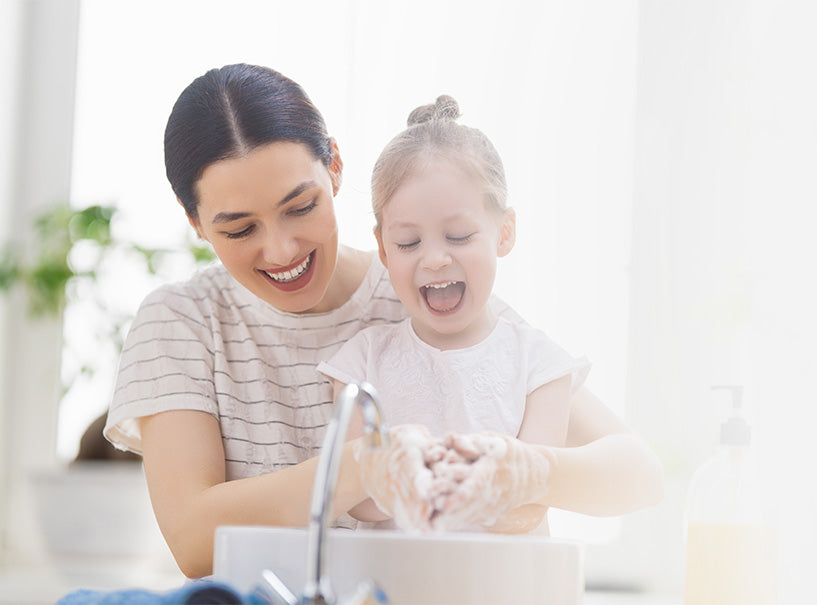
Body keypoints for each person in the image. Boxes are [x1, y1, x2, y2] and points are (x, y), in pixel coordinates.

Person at [103, 63, 664, 579]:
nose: (280, 250)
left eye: (301, 207)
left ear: (336, 169)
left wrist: (532, 473)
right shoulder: (181, 322)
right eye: (239, 229)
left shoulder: (426, 294)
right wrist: (362, 470)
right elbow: (194, 541)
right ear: (195, 222)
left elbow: (635, 471)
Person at [316, 95, 589, 533]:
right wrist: (395, 473)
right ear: (383, 248)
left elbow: (529, 510)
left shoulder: (541, 366)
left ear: (505, 232)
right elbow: (355, 503)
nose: (436, 259)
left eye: (459, 235)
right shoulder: (361, 363)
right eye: (408, 243)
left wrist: (480, 478)